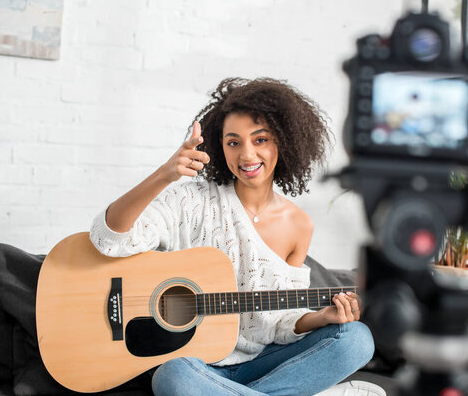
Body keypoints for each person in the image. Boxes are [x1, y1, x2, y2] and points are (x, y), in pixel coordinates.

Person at [89, 77, 376, 396]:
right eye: (233, 142)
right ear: (219, 146)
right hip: (197, 367)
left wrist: (321, 317)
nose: (248, 155)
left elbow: (281, 324)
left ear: (283, 140)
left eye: (260, 139)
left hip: (261, 363)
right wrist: (164, 174)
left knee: (355, 340)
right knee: (172, 378)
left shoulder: (299, 224)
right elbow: (109, 239)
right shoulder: (191, 201)